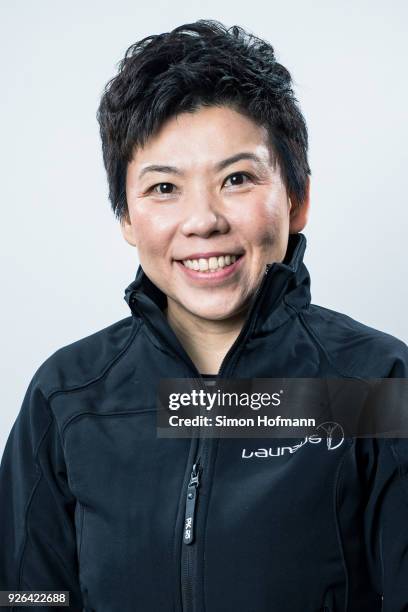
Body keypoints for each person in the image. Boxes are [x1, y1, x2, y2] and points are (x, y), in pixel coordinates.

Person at [0, 19, 407, 612]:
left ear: (297, 200)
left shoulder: (375, 386)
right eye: (164, 188)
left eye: (237, 179)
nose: (202, 220)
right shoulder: (68, 398)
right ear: (126, 217)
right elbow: (26, 598)